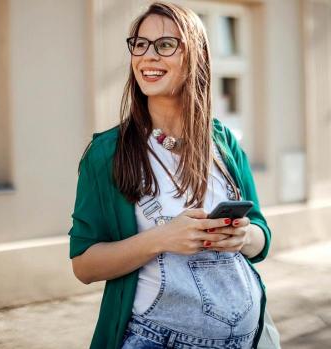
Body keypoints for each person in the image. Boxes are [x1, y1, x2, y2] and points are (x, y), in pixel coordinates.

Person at [68, 2, 273, 348]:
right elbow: (84, 265)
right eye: (140, 44)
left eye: (165, 45)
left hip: (244, 339)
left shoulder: (222, 143)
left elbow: (262, 236)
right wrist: (163, 238)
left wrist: (243, 238)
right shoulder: (106, 154)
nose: (148, 56)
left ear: (195, 57)